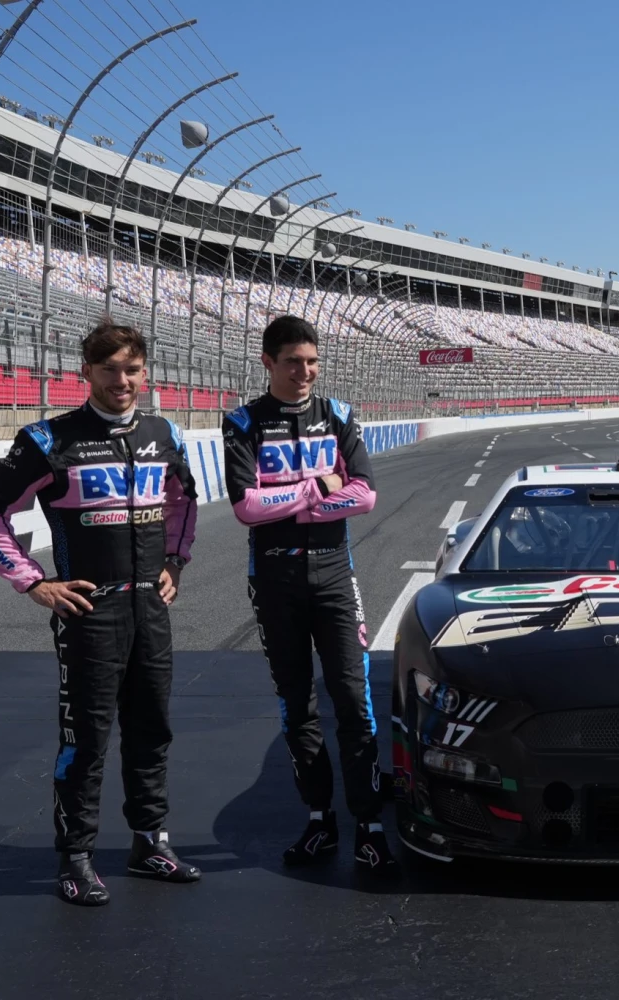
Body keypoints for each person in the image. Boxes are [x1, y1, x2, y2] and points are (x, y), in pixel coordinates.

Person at [0, 321, 202, 906]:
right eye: (109, 370)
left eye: (132, 370)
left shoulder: (163, 432)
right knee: (88, 737)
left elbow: (183, 501)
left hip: (150, 605)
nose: (122, 381)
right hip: (88, 611)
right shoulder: (48, 438)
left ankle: (150, 842)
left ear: (146, 373)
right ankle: (75, 857)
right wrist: (33, 582)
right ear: (87, 374)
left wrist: (175, 561)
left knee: (152, 731)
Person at [223, 315, 390, 870]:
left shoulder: (338, 414)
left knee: (353, 700)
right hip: (274, 581)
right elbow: (247, 507)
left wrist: (293, 498)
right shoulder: (242, 422)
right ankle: (319, 819)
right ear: (268, 362)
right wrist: (320, 487)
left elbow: (365, 496)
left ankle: (369, 823)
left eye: (313, 361)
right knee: (297, 707)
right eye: (293, 361)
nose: (305, 372)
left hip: (334, 576)